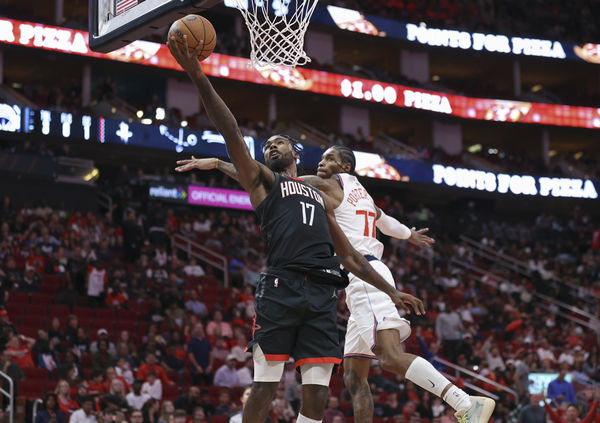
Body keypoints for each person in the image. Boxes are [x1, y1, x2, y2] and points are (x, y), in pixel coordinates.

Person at [170, 36, 421, 423]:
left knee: (317, 397)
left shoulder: (320, 195)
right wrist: (196, 73)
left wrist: (392, 290)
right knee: (266, 386)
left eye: (279, 141)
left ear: (295, 153)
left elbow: (351, 256)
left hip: (322, 294)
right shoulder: (266, 184)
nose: (271, 145)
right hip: (281, 287)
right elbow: (231, 130)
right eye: (267, 144)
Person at [190, 145, 495, 423]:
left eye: (329, 159)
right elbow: (386, 221)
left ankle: (465, 403)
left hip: (364, 278)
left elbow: (266, 181)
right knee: (353, 376)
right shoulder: (363, 195)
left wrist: (219, 163)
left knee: (390, 356)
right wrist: (409, 234)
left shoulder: (328, 185)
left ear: (345, 166)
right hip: (360, 281)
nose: (322, 163)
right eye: (321, 159)